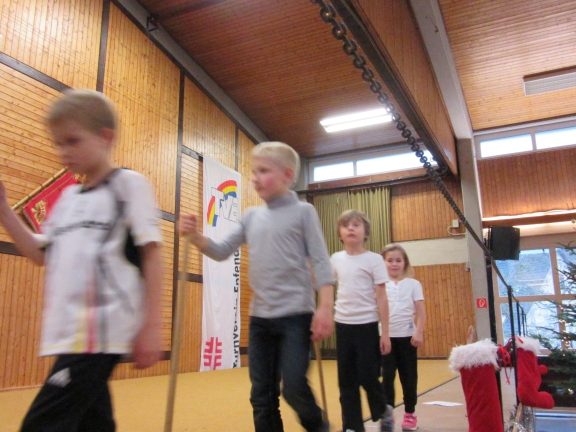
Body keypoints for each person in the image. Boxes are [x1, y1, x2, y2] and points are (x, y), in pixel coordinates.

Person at [0, 89, 163, 431]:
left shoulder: (128, 186)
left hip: (100, 332)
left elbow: (151, 254)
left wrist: (151, 326)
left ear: (106, 137)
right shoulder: (69, 199)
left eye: (72, 141)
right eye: (58, 143)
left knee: (41, 424)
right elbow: (39, 253)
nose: (63, 152)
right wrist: (4, 210)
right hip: (71, 335)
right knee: (93, 422)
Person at [179, 141, 334, 432]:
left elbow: (321, 261)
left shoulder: (303, 212)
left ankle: (319, 427)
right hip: (260, 319)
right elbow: (222, 250)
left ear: (287, 175)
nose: (255, 177)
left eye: (264, 171)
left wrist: (325, 308)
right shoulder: (251, 216)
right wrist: (195, 236)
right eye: (253, 171)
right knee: (262, 395)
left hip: (296, 317)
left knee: (294, 387)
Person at [331, 210, 394, 432]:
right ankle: (352, 426)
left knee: (369, 376)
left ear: (366, 232)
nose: (351, 228)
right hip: (343, 325)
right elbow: (325, 285)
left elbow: (382, 297)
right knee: (346, 381)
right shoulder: (335, 259)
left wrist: (385, 333)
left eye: (356, 225)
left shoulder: (374, 260)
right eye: (346, 225)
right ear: (340, 233)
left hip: (367, 325)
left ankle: (383, 411)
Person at [380, 244, 426, 431]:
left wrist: (419, 331)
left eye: (398, 260)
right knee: (387, 377)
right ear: (383, 263)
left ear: (405, 263)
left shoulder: (413, 284)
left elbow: (421, 311)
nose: (394, 264)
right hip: (386, 339)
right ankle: (388, 414)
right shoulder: (380, 285)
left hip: (407, 338)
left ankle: (410, 414)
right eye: (390, 260)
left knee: (409, 377)